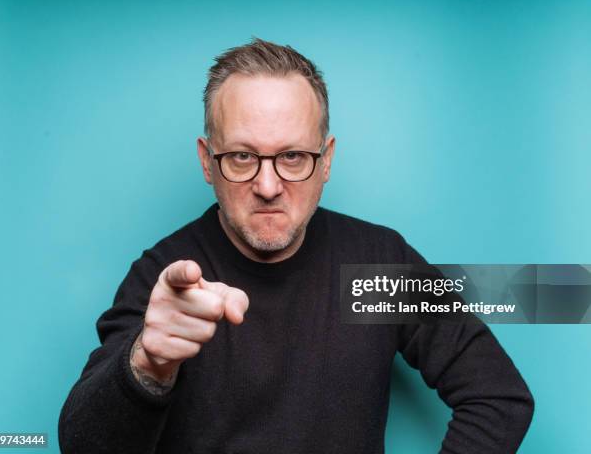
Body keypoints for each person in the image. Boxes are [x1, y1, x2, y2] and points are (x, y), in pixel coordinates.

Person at [58, 38, 534, 453]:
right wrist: (148, 362)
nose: (268, 185)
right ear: (207, 162)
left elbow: (499, 397)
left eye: (292, 156)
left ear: (326, 160)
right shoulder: (165, 276)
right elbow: (83, 444)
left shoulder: (379, 266)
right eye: (242, 156)